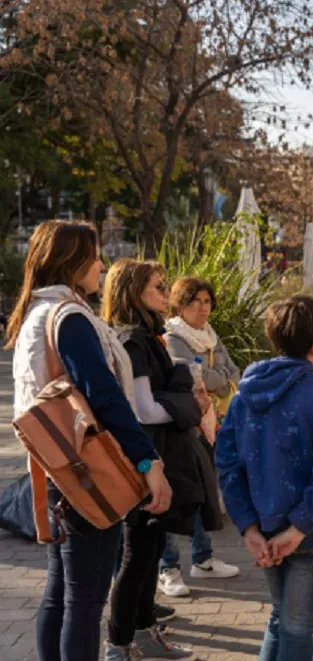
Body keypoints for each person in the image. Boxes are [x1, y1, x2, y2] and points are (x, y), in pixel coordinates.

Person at [9, 221, 170, 661]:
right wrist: (147, 460)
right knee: (84, 600)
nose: (102, 264)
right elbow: (105, 397)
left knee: (61, 593)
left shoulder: (35, 316)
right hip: (87, 472)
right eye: (95, 255)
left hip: (56, 468)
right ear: (71, 261)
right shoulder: (70, 318)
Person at [215, 296, 313, 661]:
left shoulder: (244, 394)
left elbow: (227, 464)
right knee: (296, 624)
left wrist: (247, 527)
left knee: (282, 616)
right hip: (308, 528)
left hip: (264, 523)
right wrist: (299, 527)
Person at [104, 260, 224, 660]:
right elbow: (144, 410)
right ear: (135, 291)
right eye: (158, 286)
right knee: (137, 554)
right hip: (146, 458)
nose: (165, 291)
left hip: (158, 455)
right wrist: (186, 402)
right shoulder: (133, 341)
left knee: (149, 549)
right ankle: (118, 643)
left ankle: (142, 631)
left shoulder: (148, 336)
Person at [157, 277, 241, 598]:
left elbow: (232, 370)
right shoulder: (173, 336)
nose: (204, 307)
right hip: (183, 424)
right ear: (181, 304)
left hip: (212, 423)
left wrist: (215, 377)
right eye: (197, 301)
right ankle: (168, 567)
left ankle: (202, 558)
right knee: (179, 493)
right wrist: (218, 377)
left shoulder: (210, 336)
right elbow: (191, 375)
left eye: (208, 301)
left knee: (202, 489)